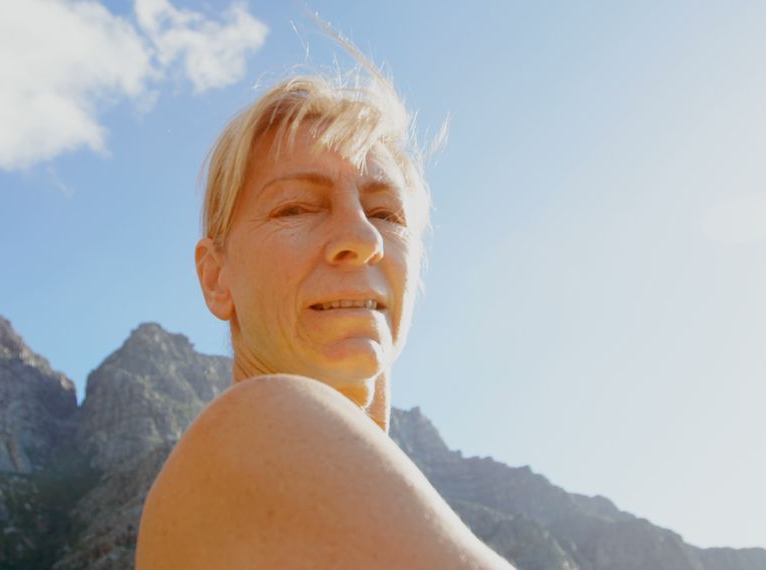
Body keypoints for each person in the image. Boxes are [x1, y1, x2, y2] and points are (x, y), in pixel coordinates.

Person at [135, 38, 512, 569]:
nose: (363, 237)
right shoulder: (255, 426)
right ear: (216, 277)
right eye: (297, 207)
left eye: (387, 215)